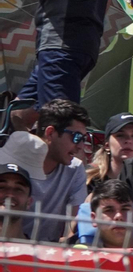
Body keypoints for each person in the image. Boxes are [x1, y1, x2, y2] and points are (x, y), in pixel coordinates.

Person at [22, 99, 91, 242]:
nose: (80, 146)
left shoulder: (75, 169)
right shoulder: (10, 164)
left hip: (50, 257)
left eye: (84, 138)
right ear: (50, 133)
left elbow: (74, 228)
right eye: (77, 137)